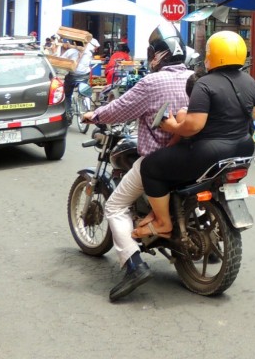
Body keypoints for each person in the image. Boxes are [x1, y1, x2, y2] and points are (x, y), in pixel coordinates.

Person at [82, 21, 191, 302]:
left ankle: (133, 265)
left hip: (159, 161)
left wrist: (93, 116)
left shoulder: (151, 82)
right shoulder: (195, 77)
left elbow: (119, 109)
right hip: (191, 156)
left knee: (115, 205)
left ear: (157, 54)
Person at [134, 31, 255, 242]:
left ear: (213, 54)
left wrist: (173, 126)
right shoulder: (249, 81)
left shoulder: (205, 83)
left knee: (150, 167)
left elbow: (193, 126)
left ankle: (163, 222)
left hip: (209, 154)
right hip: (244, 149)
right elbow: (254, 113)